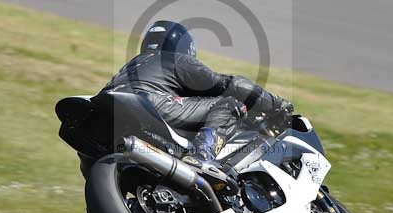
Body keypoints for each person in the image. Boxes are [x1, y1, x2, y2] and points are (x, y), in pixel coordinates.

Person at [100, 20, 293, 163]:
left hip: (106, 109)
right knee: (228, 105)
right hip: (147, 104)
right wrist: (276, 104)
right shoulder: (175, 59)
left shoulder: (131, 66)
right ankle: (202, 156)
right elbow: (231, 85)